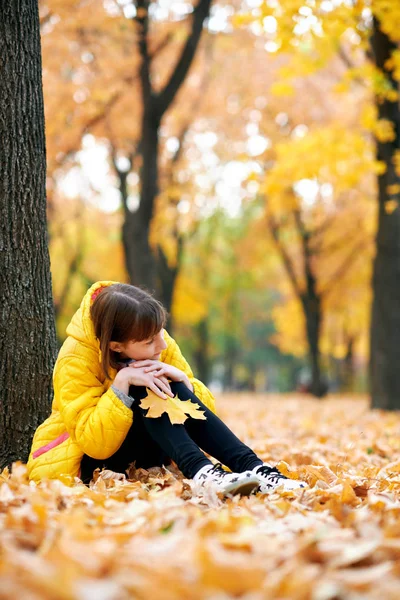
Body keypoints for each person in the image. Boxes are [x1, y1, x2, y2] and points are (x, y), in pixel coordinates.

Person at [28, 281, 306, 497]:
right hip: (90, 459)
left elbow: (200, 413)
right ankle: (204, 474)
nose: (161, 346)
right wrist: (122, 385)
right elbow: (94, 443)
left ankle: (256, 468)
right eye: (150, 342)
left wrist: (183, 381)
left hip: (149, 448)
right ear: (115, 346)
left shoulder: (153, 335)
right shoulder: (75, 358)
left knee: (158, 379)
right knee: (141, 383)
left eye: (162, 335)